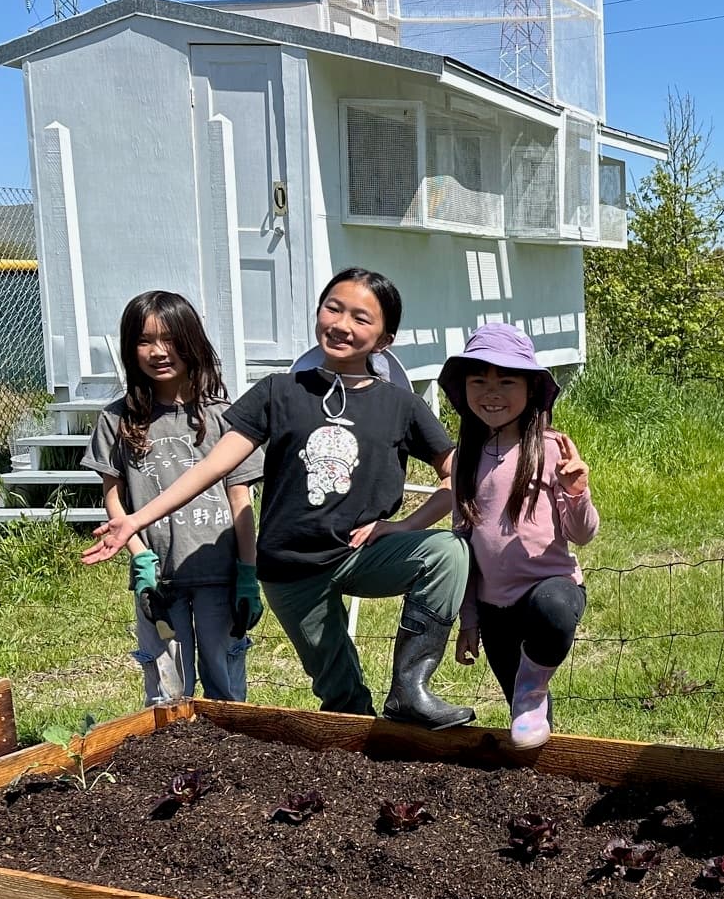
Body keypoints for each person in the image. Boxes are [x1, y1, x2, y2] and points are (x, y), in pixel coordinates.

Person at [80, 268, 473, 729]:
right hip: (291, 570)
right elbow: (212, 467)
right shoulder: (278, 391)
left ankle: (410, 689)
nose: (342, 325)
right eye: (333, 309)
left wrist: (405, 525)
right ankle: (363, 748)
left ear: (385, 338)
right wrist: (135, 520)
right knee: (341, 695)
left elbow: (459, 477)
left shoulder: (401, 405)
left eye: (361, 318)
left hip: (361, 554)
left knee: (447, 551)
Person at [87, 290, 263, 706]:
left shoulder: (224, 417)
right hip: (159, 579)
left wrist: (247, 571)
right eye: (144, 341)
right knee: (167, 689)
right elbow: (114, 497)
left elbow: (241, 499)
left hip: (219, 575)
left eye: (169, 339)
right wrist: (140, 558)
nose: (158, 351)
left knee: (225, 685)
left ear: (192, 342)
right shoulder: (116, 419)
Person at [440, 323, 595, 750]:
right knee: (526, 716)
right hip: (495, 609)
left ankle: (533, 685)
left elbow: (582, 534)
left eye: (506, 381)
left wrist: (577, 491)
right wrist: (469, 618)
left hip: (549, 590)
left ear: (530, 388)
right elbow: (463, 541)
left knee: (553, 613)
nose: (492, 392)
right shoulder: (465, 458)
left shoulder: (551, 449)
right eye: (479, 381)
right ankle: (541, 768)